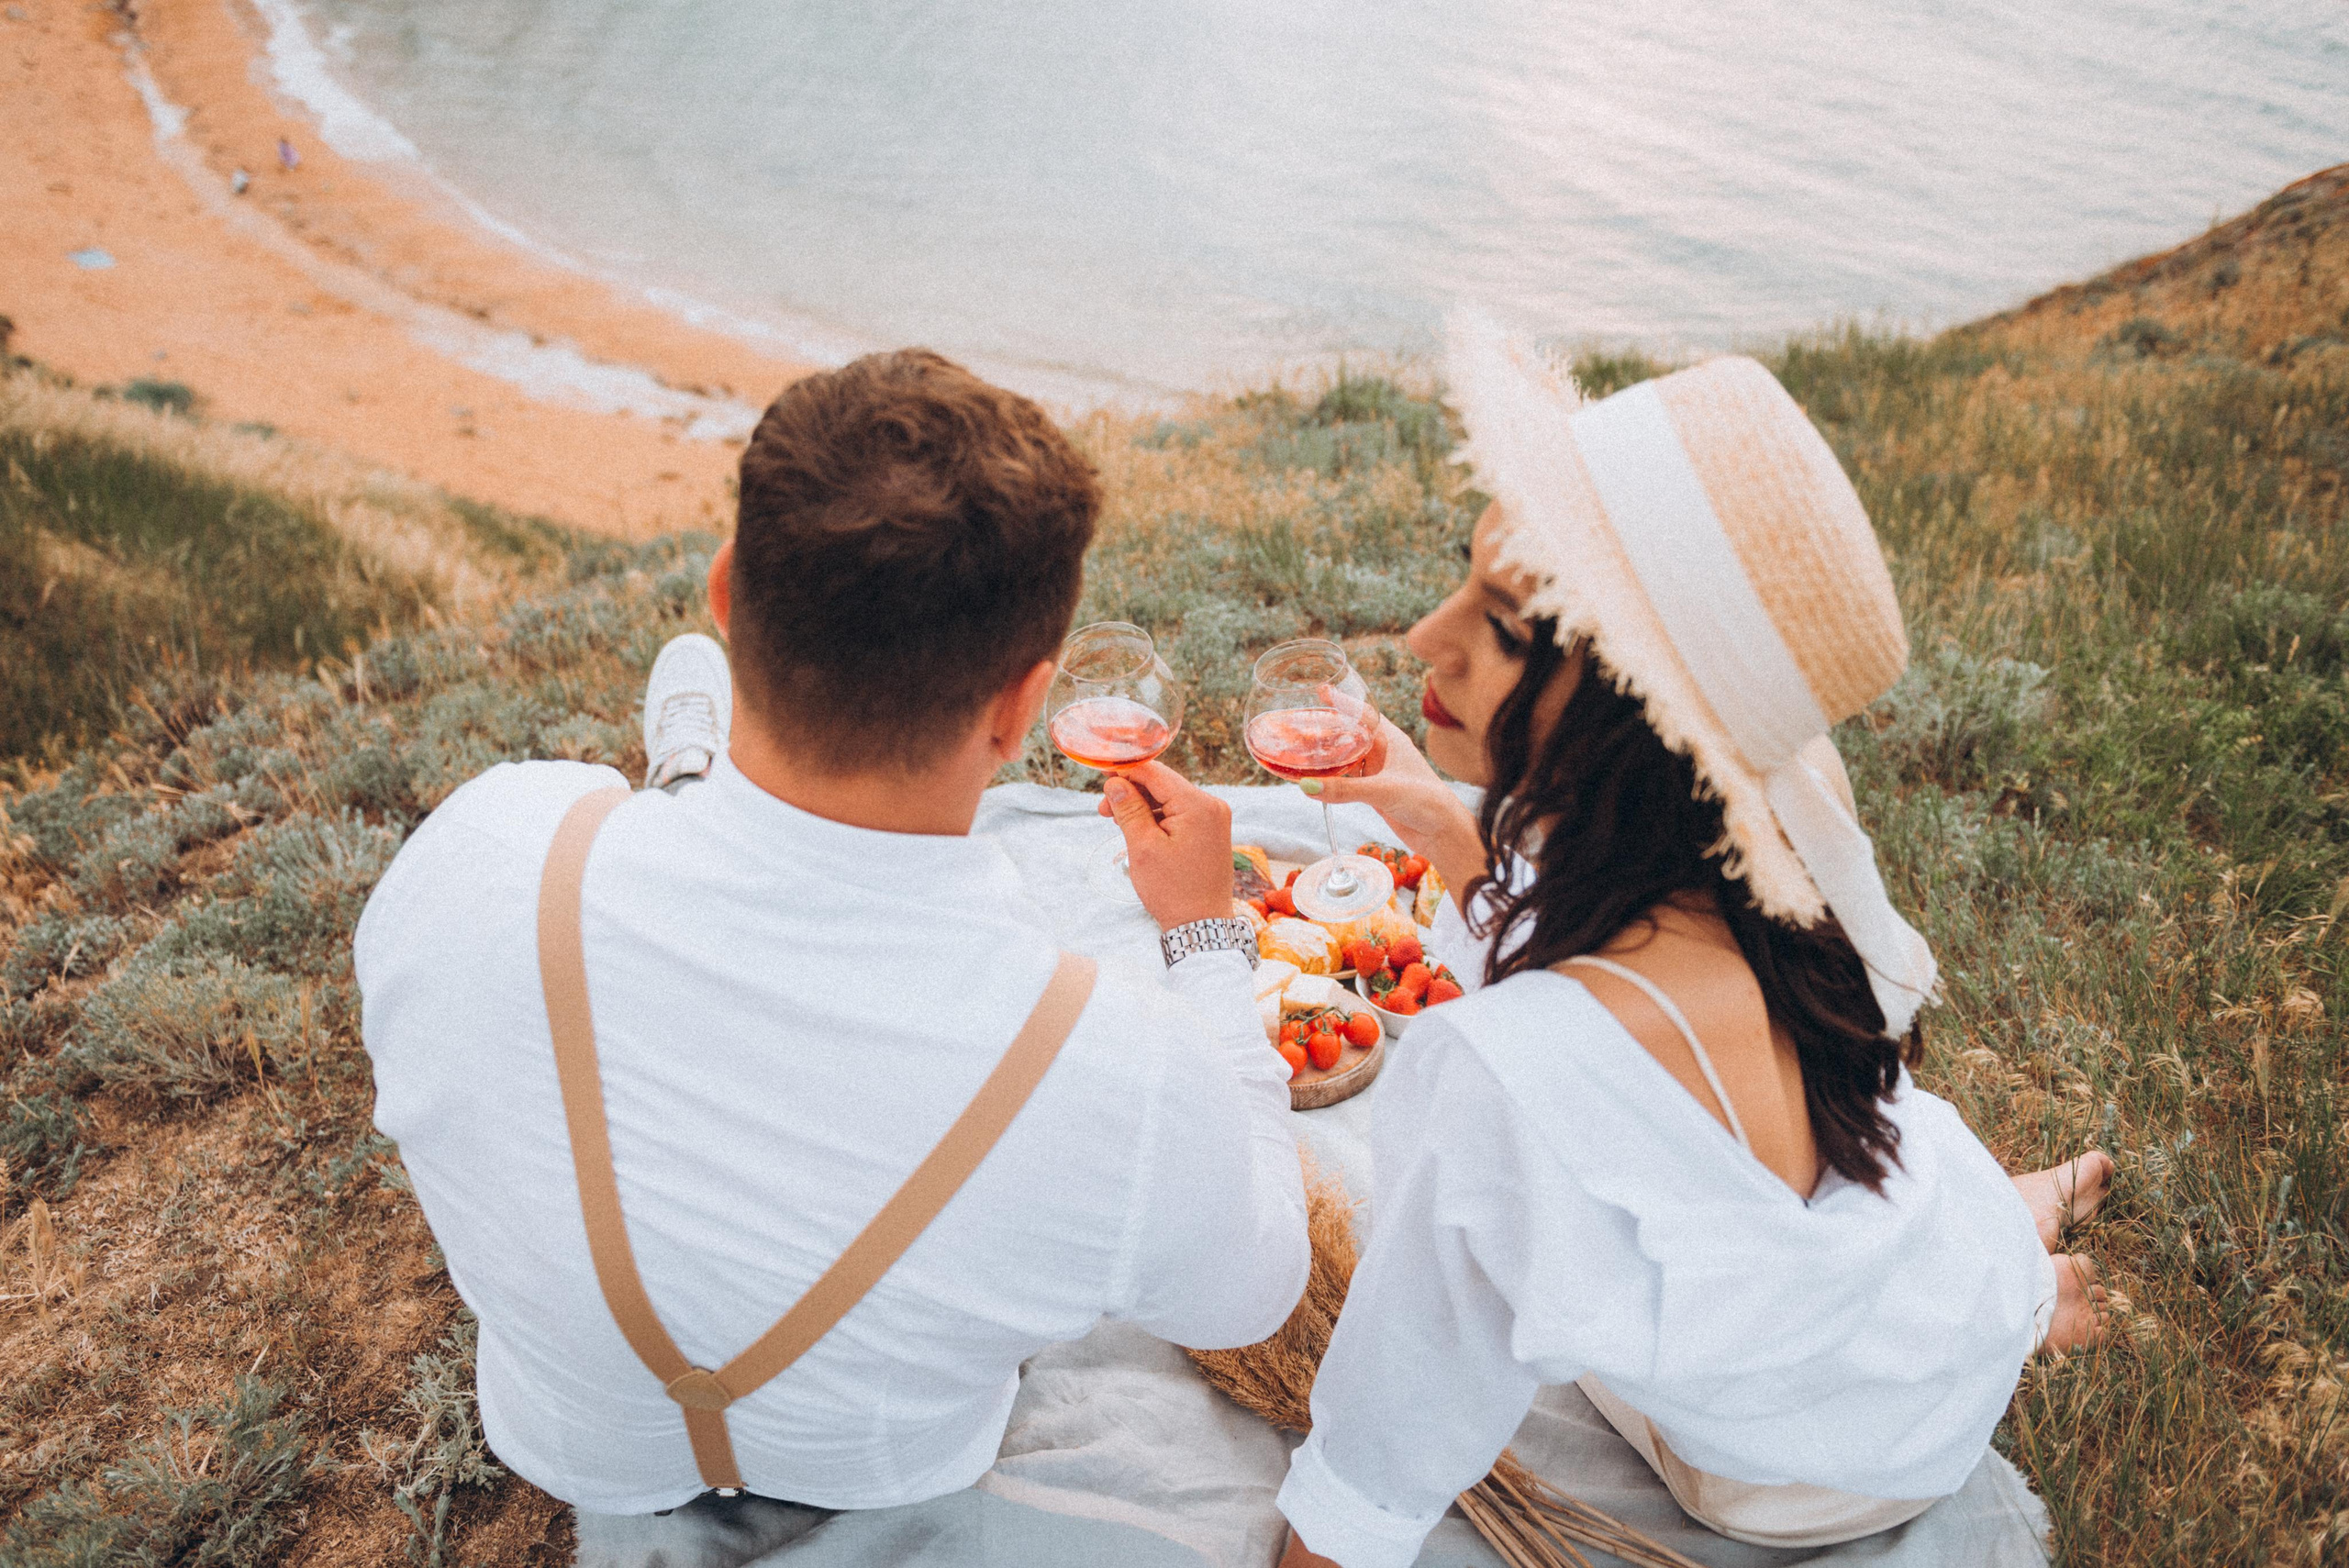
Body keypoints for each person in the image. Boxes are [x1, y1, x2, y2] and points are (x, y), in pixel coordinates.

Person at [353, 349, 1309, 1518]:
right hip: (887, 1463)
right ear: (1023, 707)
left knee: (617, 837)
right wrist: (1205, 936)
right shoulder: (1118, 1063)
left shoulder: (486, 844)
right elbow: (1256, 1292)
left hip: (572, 1439)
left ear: (721, 592)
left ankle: (686, 784)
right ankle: (691, 781)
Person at [1269, 321, 2113, 1568]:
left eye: (1505, 626)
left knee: (1536, 1260)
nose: (1422, 641)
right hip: (1908, 1324)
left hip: (1792, 1483)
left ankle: (2022, 1279)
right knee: (1915, 1190)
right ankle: (2015, 1267)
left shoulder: (1504, 1077)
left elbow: (1392, 1436)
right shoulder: (1771, 844)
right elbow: (1600, 992)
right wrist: (1434, 816)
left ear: (1629, 712)